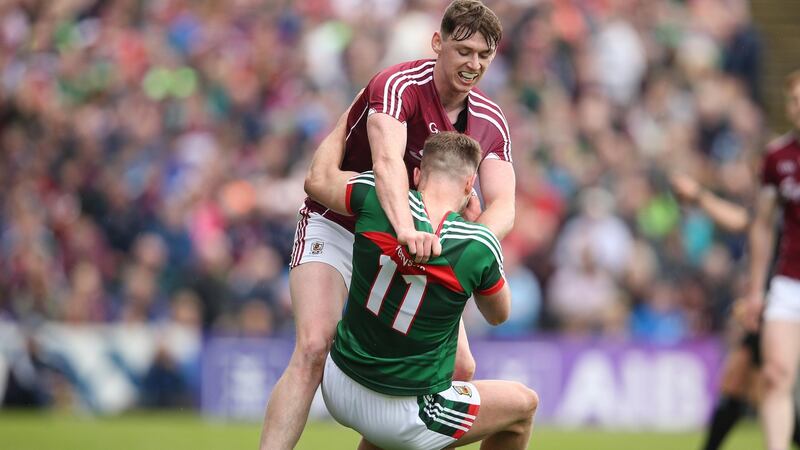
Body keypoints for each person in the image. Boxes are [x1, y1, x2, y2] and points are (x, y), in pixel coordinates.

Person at [259, 1, 515, 449]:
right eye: (463, 50)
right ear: (438, 44)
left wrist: (461, 246)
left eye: (484, 55)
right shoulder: (399, 84)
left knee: (461, 371)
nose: (473, 64)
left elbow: (504, 206)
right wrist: (405, 230)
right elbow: (387, 165)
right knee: (315, 347)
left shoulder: (490, 120)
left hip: (420, 241)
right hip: (341, 221)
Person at [306, 129, 538, 450]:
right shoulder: (477, 244)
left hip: (339, 382)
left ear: (417, 174)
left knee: (453, 375)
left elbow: (316, 180)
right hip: (403, 413)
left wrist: (350, 116)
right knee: (523, 405)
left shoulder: (375, 194)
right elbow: (499, 315)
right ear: (470, 185)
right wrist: (477, 233)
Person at [670, 172, 800, 450]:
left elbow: (744, 222)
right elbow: (745, 221)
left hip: (782, 299)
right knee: (752, 381)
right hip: (773, 296)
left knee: (761, 382)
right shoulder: (775, 209)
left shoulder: (785, 208)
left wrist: (699, 196)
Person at [745, 70, 800, 450]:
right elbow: (762, 225)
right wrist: (754, 290)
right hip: (789, 279)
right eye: (795, 100)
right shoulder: (777, 156)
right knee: (775, 373)